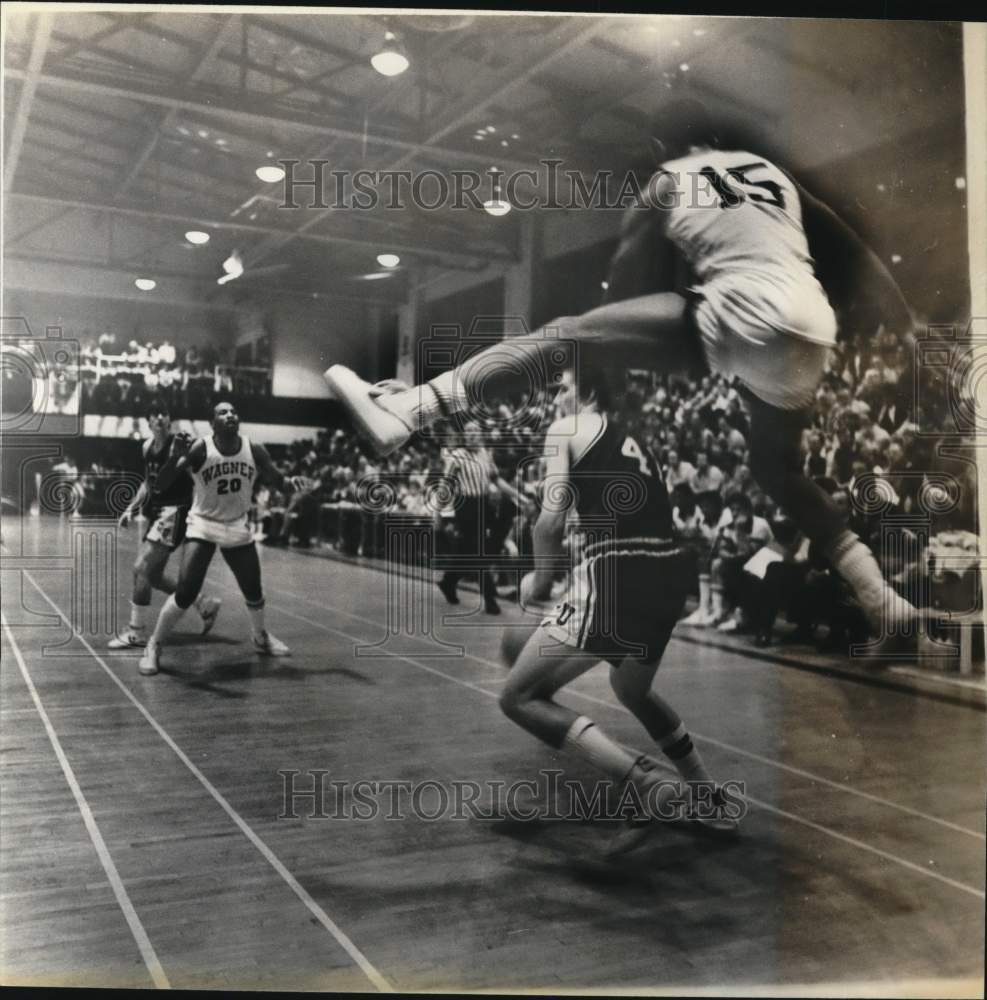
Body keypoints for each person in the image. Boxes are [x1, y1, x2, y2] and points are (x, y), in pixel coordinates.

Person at [325, 97, 917, 638]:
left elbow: (619, 305)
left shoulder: (665, 181)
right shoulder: (775, 176)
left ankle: (411, 410)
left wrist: (616, 357)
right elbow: (854, 249)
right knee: (778, 470)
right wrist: (910, 328)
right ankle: (881, 599)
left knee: (566, 334)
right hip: (813, 326)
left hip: (739, 309)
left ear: (667, 149)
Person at [499, 367, 739, 852]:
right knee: (631, 688)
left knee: (518, 698)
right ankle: (706, 795)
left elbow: (550, 519)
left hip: (616, 572)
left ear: (586, 391)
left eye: (563, 387)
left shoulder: (566, 429)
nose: (556, 397)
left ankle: (644, 783)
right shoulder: (635, 439)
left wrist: (542, 579)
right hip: (667, 572)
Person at [137, 402, 315, 676]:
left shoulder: (253, 449)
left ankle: (260, 637)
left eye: (233, 411)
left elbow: (279, 481)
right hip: (204, 523)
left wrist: (293, 484)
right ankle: (155, 644)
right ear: (213, 423)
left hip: (236, 523)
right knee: (186, 592)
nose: (230, 414)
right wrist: (176, 458)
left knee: (253, 589)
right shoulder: (200, 448)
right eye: (223, 412)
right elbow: (161, 484)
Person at [111, 406, 221, 649]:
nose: (160, 418)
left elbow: (202, 477)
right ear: (148, 421)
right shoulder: (147, 447)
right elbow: (147, 483)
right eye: (155, 414)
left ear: (170, 420)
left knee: (141, 568)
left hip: (175, 512)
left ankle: (137, 632)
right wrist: (131, 508)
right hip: (157, 513)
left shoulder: (181, 446)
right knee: (155, 576)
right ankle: (204, 603)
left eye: (164, 414)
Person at [437, 421, 525, 614]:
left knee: (467, 551)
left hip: (484, 505)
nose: (472, 435)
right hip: (466, 506)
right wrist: (441, 514)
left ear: (481, 435)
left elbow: (496, 479)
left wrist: (517, 496)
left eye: (475, 431)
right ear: (464, 436)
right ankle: (490, 598)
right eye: (468, 431)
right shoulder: (456, 457)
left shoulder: (485, 453)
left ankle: (448, 581)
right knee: (478, 552)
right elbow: (445, 487)